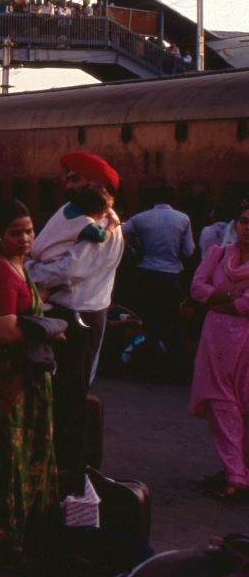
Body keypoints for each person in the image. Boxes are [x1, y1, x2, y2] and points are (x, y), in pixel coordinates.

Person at [0, 201, 60, 570]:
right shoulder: (1, 272)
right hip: (6, 383)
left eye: (29, 230)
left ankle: (12, 535)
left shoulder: (17, 268)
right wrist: (49, 329)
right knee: (6, 459)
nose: (24, 239)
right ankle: (0, 540)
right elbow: (4, 331)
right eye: (15, 232)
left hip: (22, 378)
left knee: (16, 458)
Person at [26, 151, 125, 496]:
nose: (67, 185)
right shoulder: (79, 216)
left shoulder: (103, 228)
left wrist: (25, 271)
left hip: (78, 317)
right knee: (57, 391)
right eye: (68, 178)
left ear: (95, 186)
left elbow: (69, 269)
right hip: (65, 311)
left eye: (76, 179)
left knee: (70, 394)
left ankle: (69, 472)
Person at [189, 199, 249, 500]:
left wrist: (218, 298)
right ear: (235, 224)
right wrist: (231, 298)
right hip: (216, 339)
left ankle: (238, 471)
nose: (248, 228)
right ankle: (235, 473)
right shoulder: (219, 253)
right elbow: (197, 287)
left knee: (243, 406)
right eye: (244, 221)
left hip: (244, 341)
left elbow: (246, 305)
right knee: (221, 403)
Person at [122, 185, 196, 377]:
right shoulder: (183, 219)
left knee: (148, 322)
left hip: (146, 274)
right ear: (174, 201)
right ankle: (177, 368)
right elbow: (188, 251)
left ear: (151, 200)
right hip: (171, 276)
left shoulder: (140, 218)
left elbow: (120, 233)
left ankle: (148, 365)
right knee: (173, 323)